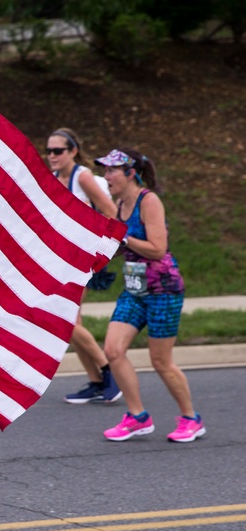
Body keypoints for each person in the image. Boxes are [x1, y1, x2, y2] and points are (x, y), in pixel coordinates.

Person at [94, 149, 204, 443]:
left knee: (160, 360)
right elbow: (124, 246)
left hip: (162, 290)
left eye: (111, 171)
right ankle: (137, 417)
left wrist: (124, 238)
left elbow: (157, 248)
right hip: (134, 289)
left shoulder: (149, 201)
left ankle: (191, 419)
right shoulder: (120, 203)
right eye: (104, 171)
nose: (106, 178)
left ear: (131, 174)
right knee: (113, 351)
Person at [46, 128, 122, 405]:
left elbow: (112, 213)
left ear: (73, 151)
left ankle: (108, 373)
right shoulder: (54, 179)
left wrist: (103, 250)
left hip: (84, 259)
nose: (52, 156)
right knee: (71, 322)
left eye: (58, 151)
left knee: (67, 320)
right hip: (62, 259)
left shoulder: (83, 177)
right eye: (49, 151)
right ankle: (98, 382)